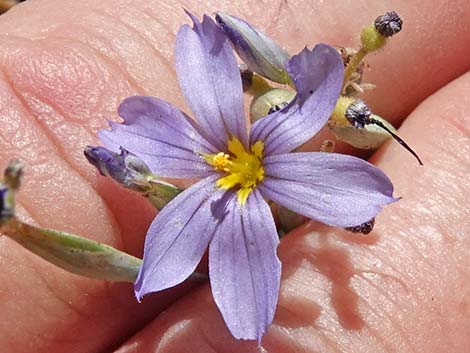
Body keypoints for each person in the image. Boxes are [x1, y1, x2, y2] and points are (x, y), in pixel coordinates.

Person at [0, 1, 468, 352]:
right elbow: (162, 258)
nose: (231, 164)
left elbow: (312, 104)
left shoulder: (274, 139)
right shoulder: (235, 163)